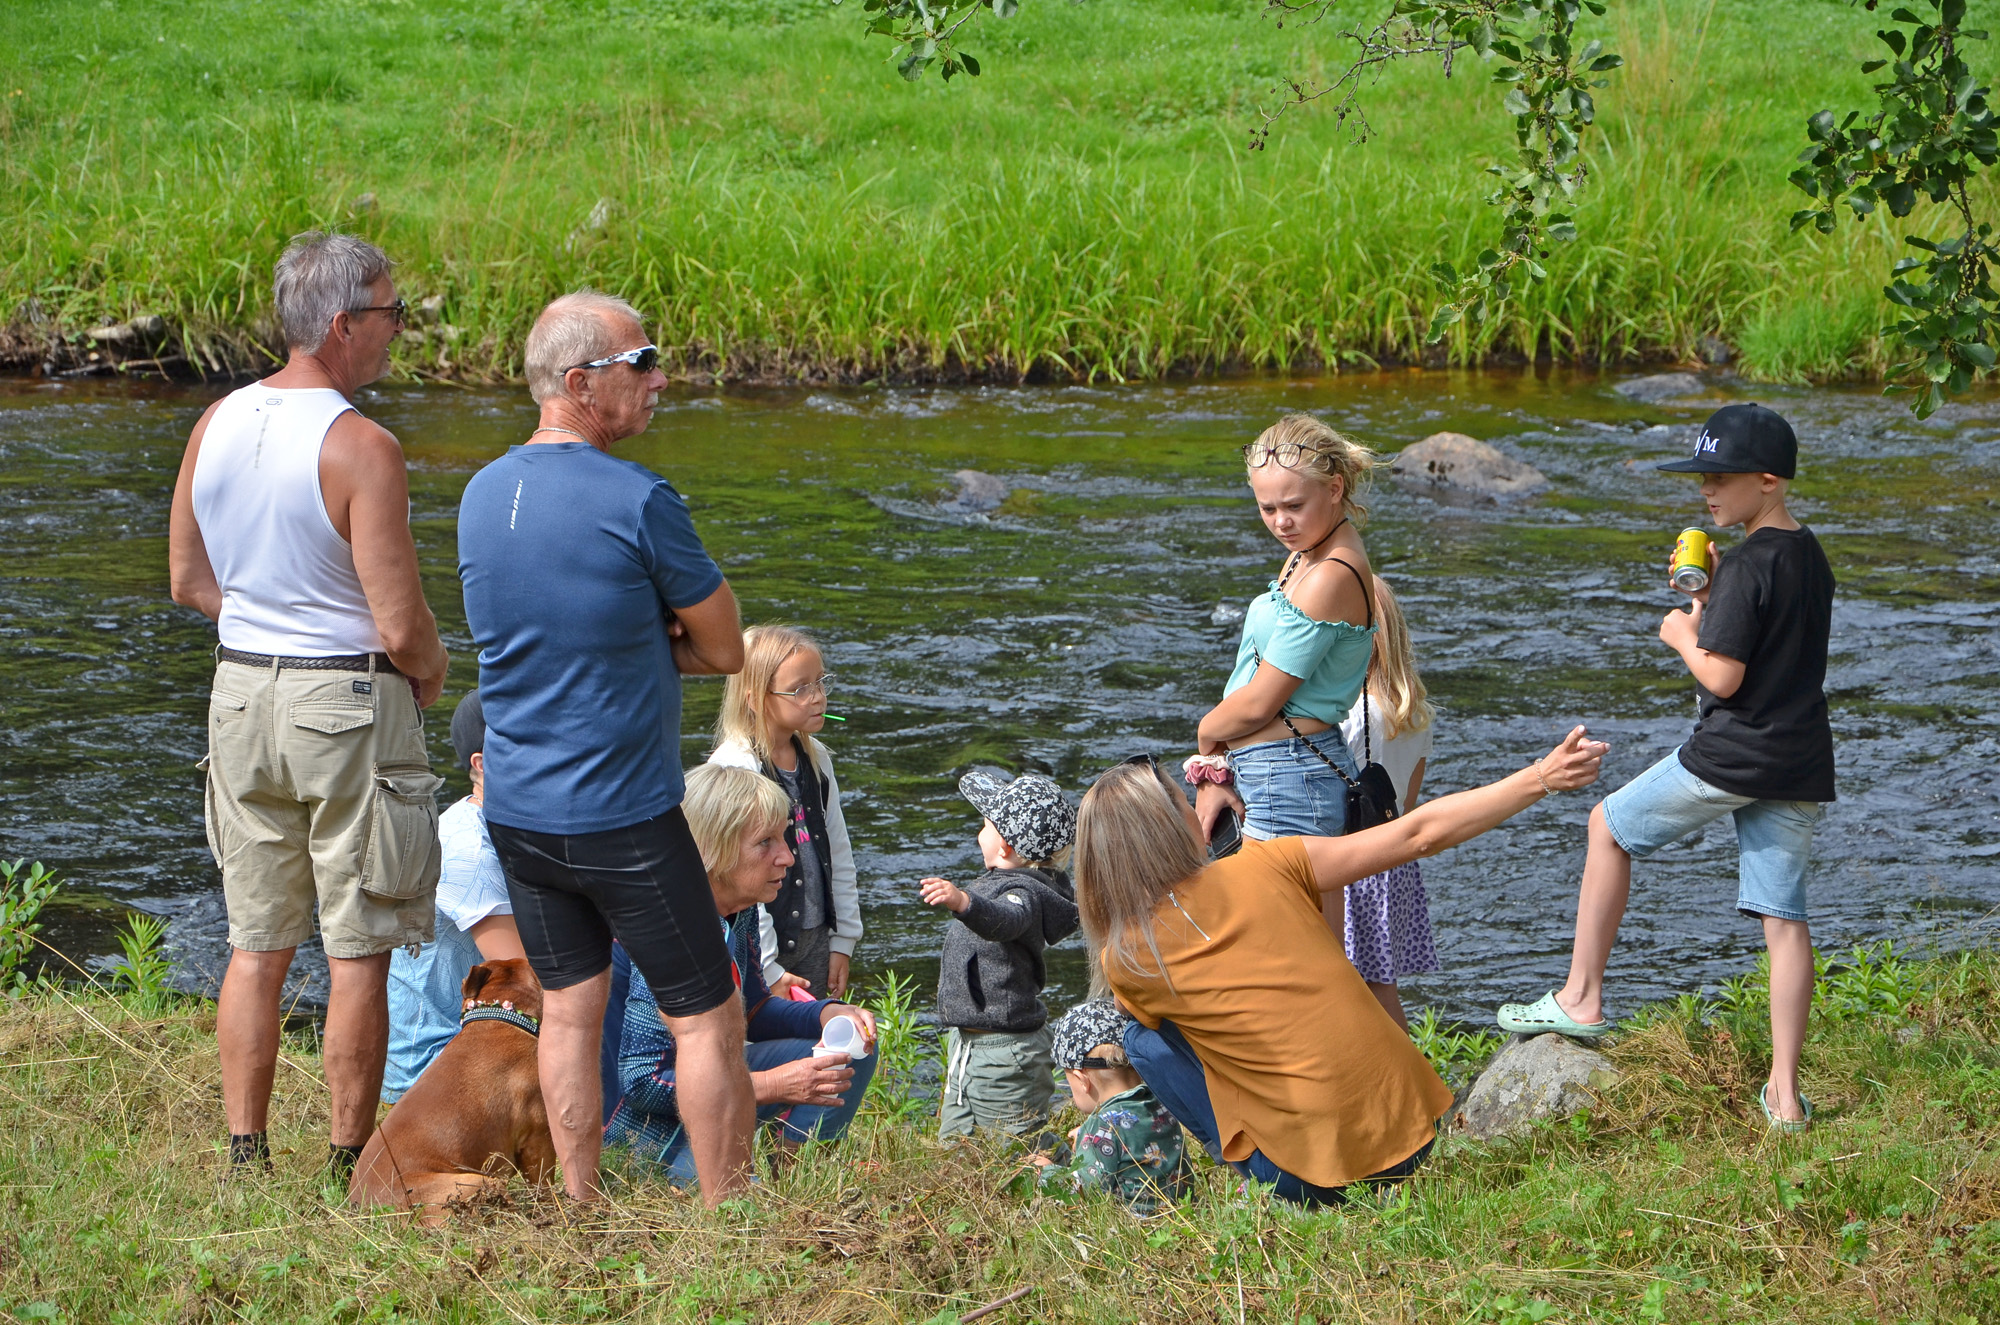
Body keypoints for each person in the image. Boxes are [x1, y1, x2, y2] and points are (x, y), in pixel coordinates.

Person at [456, 290, 752, 1205]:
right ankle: (728, 1214)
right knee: (708, 1019)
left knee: (572, 1012)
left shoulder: (477, 492)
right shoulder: (640, 499)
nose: (661, 379)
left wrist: (616, 636)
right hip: (623, 815)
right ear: (581, 382)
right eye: (644, 361)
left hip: (517, 812)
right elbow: (727, 645)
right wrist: (645, 638)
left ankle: (579, 1201)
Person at [167, 230, 451, 1180]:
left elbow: (186, 580)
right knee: (359, 940)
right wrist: (432, 672)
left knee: (257, 940)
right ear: (342, 324)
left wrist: (265, 617)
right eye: (391, 314)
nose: (398, 332)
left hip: (240, 688)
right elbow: (401, 622)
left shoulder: (213, 422)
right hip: (346, 693)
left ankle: (245, 1153)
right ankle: (341, 1163)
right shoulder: (363, 444)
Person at [1079, 730, 1608, 1205]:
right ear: (1171, 828)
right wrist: (1541, 776)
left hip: (1313, 1180)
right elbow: (1417, 834)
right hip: (1416, 1135)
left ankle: (1250, 1168)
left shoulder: (1124, 959)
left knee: (1146, 1039)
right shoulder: (1271, 862)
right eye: (1185, 800)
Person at [1499, 404, 1834, 1133]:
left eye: (1721, 477)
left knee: (1606, 825)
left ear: (1768, 479)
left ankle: (1580, 996)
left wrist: (1683, 632)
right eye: (1702, 477)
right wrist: (1711, 597)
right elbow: (1772, 642)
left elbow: (1724, 677)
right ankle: (1784, 1095)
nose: (1708, 491)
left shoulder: (1750, 562)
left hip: (1735, 752)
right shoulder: (1805, 553)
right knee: (1784, 919)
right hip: (1799, 756)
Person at [608, 765, 878, 1182]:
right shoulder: (665, 927)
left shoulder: (739, 908)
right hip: (640, 1136)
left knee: (851, 1050)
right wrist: (772, 1085)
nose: (787, 856)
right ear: (712, 850)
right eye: (765, 842)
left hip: (714, 1086)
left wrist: (826, 1014)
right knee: (740, 1196)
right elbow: (642, 1083)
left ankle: (797, 1177)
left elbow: (753, 1011)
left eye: (785, 836)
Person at [1189, 415, 1380, 945]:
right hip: (1273, 770)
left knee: (1288, 951)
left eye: (1294, 506)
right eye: (1267, 507)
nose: (1280, 522)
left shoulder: (1332, 574)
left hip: (1291, 780)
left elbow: (1260, 703)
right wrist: (1223, 768)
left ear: (1335, 487)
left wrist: (1208, 744)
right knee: (1291, 949)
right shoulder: (1306, 555)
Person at [381, 691, 526, 1103]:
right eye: (527, 744)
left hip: (471, 1032)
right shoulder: (471, 852)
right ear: (481, 765)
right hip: (431, 1063)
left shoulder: (499, 824)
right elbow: (522, 980)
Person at [919, 770, 1080, 1140]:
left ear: (1005, 846)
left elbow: (1006, 921)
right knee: (957, 1145)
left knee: (1015, 1146)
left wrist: (964, 902)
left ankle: (1066, 1173)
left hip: (1005, 1053)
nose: (979, 833)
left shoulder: (1022, 893)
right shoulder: (1009, 881)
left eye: (985, 825)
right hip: (971, 1045)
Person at [708, 624, 863, 998]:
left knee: (818, 1039)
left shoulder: (817, 760)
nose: (818, 697)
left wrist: (843, 939)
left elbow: (838, 851)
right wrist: (769, 968)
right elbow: (737, 878)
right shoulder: (736, 769)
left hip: (815, 938)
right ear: (755, 699)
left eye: (820, 682)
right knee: (761, 1039)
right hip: (759, 948)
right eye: (799, 689)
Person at [1337, 577, 1438, 1030]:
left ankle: (1412, 1090)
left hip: (1351, 864)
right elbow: (1407, 804)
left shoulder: (1350, 716)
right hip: (1392, 861)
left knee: (1365, 993)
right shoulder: (1413, 713)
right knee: (1379, 988)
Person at [1028, 999, 1188, 1216]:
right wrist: (1088, 1136)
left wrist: (1045, 1171)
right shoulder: (1162, 1102)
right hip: (1181, 1214)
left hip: (1136, 1229)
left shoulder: (1102, 1128)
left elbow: (1081, 1194)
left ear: (1082, 1080)